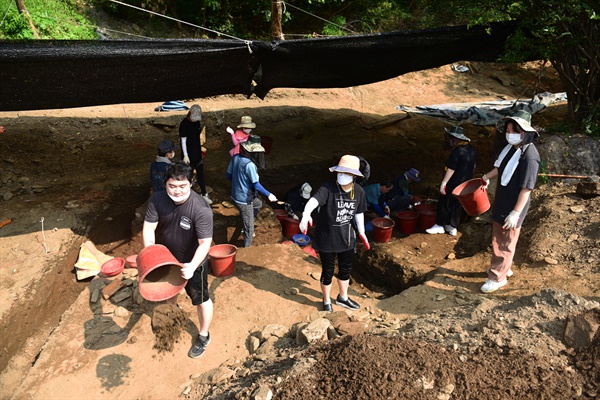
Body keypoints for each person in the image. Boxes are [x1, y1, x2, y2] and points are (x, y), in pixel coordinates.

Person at [142, 161, 214, 359]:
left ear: (190, 184)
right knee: (169, 292)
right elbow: (149, 228)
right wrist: (152, 255)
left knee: (201, 300)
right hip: (167, 259)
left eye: (182, 186)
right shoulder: (157, 200)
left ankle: (203, 335)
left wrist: (192, 266)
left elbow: (205, 243)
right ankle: (172, 317)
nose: (177, 191)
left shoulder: (201, 209)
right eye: (172, 186)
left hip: (193, 262)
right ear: (165, 184)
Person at [299, 155, 371, 312]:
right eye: (340, 172)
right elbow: (314, 201)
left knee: (345, 269)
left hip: (347, 238)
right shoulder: (328, 188)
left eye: (346, 173)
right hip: (327, 238)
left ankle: (343, 297)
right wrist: (306, 214)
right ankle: (326, 301)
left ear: (354, 176)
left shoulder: (358, 191)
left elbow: (359, 212)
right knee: (328, 271)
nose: (341, 176)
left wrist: (362, 232)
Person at [480, 110, 540, 293]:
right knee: (500, 236)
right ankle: (504, 267)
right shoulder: (511, 148)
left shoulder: (529, 156)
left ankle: (497, 277)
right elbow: (499, 168)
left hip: (514, 204)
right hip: (502, 198)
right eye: (507, 130)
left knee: (504, 240)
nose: (509, 134)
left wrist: (516, 212)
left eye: (513, 131)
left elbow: (527, 188)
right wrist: (486, 177)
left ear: (525, 131)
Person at [226, 135, 278, 247]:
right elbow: (256, 185)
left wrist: (239, 182)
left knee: (258, 204)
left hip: (235, 195)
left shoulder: (235, 158)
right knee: (249, 228)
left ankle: (247, 220)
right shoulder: (250, 165)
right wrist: (269, 194)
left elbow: (228, 176)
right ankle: (247, 247)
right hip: (244, 200)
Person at [426, 126, 477, 236]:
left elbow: (451, 169)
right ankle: (452, 226)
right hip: (464, 184)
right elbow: (473, 166)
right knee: (458, 204)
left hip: (453, 183)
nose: (451, 140)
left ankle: (440, 225)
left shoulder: (457, 151)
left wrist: (444, 183)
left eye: (452, 138)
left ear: (456, 138)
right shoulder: (472, 150)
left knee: (444, 202)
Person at [179, 104, 213, 204]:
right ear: (190, 114)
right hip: (188, 155)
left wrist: (200, 149)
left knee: (201, 174)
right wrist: (185, 155)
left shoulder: (197, 123)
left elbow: (197, 137)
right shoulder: (184, 124)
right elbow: (183, 141)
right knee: (187, 175)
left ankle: (204, 194)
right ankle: (186, 197)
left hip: (197, 154)